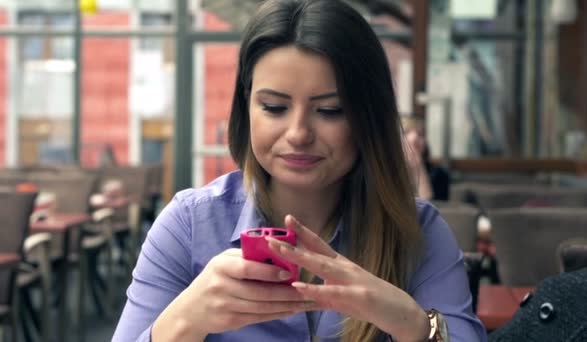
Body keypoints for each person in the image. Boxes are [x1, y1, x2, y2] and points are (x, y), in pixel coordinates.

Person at [112, 0, 486, 341]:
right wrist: (184, 321)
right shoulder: (189, 226)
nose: (299, 134)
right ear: (247, 109)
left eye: (330, 111)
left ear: (366, 118)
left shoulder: (416, 232)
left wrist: (413, 324)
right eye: (274, 107)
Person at [401, 116, 451, 201]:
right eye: (406, 132)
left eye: (420, 134)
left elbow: (433, 210)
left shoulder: (440, 175)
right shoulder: (387, 172)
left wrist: (419, 168)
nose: (414, 138)